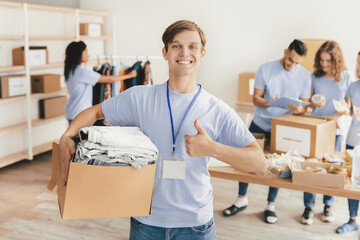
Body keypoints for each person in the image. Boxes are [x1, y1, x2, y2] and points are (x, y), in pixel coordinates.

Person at [59, 20, 267, 240]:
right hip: (146, 223)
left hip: (196, 226)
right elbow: (94, 113)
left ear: (203, 53)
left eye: (193, 46)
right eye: (176, 46)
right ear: (165, 52)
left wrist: (212, 149)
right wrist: (67, 135)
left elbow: (259, 163)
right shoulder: (141, 97)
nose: (184, 52)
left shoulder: (216, 109)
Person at [223, 39, 311, 224]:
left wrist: (298, 109)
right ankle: (241, 199)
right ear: (285, 51)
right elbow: (256, 99)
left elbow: (304, 105)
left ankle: (270, 205)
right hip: (259, 124)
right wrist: (272, 102)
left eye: (296, 62)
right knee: (245, 162)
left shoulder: (304, 76)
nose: (292, 64)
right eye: (290, 59)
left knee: (277, 167)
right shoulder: (266, 68)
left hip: (282, 127)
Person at [300, 40, 353, 225]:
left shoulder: (345, 77)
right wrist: (314, 104)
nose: (323, 64)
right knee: (312, 168)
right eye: (321, 60)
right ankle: (308, 207)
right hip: (316, 127)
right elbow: (307, 102)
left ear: (335, 60)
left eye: (328, 61)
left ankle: (328, 205)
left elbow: (348, 105)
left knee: (332, 169)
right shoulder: (314, 76)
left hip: (335, 129)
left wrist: (334, 116)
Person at [64, 41, 137, 124]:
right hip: (79, 112)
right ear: (79, 54)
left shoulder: (71, 71)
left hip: (72, 111)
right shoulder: (82, 72)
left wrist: (94, 71)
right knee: (80, 136)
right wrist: (129, 75)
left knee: (75, 136)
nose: (88, 55)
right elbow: (108, 79)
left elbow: (85, 81)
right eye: (86, 52)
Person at [336, 51, 360, 234]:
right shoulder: (353, 86)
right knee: (354, 182)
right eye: (358, 62)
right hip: (353, 140)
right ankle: (353, 219)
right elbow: (349, 108)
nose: (359, 66)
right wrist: (344, 108)